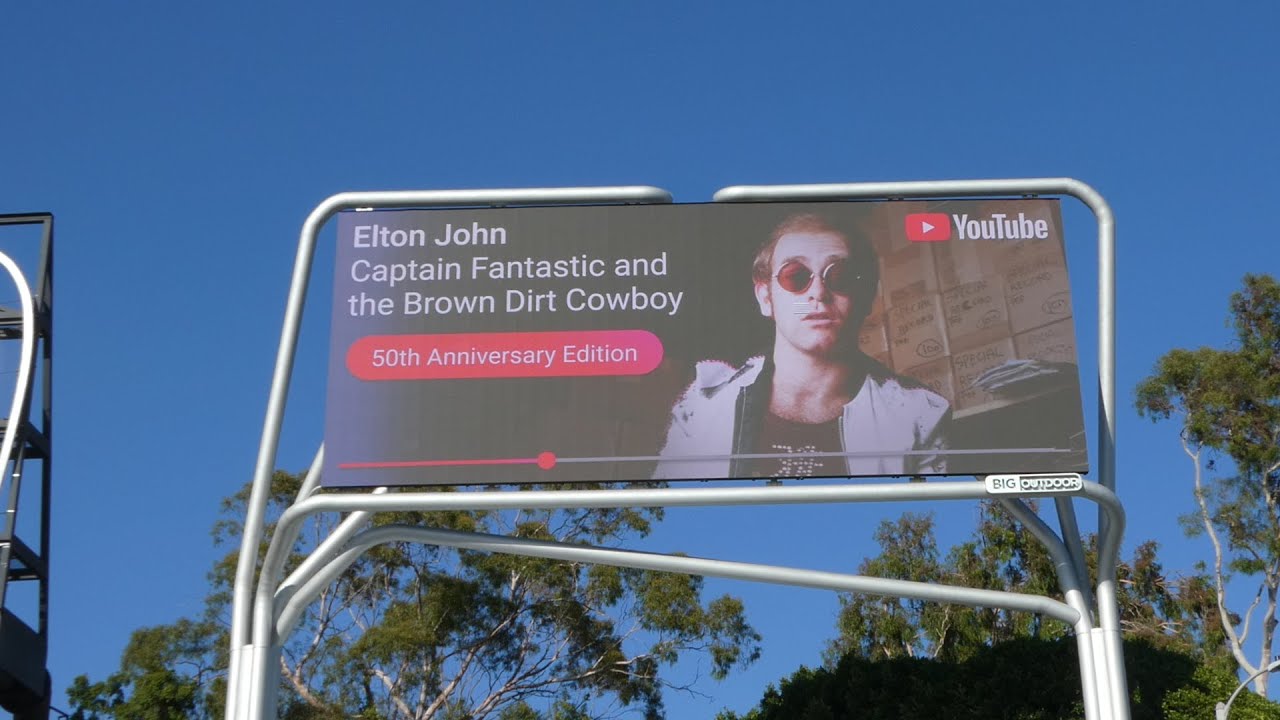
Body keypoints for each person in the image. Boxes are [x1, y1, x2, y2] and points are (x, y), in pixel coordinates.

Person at [653, 212, 951, 481]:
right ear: (765, 297)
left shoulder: (920, 416)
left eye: (840, 275)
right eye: (796, 276)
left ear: (866, 295)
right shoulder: (701, 408)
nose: (819, 293)